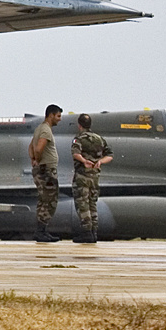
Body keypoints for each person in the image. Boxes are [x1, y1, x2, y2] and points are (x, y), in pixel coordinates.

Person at [69, 113, 113, 244]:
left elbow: (76, 153)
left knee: (82, 204)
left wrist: (84, 161)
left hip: (82, 175)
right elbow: (110, 155)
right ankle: (93, 233)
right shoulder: (99, 139)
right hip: (95, 176)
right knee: (92, 204)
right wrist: (100, 162)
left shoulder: (79, 139)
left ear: (79, 125)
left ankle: (86, 232)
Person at [29, 104, 64, 243]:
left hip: (44, 169)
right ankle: (41, 231)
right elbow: (38, 148)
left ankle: (42, 231)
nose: (59, 119)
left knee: (44, 200)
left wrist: (33, 159)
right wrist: (37, 160)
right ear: (51, 115)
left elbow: (31, 146)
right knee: (50, 201)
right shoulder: (45, 130)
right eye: (58, 116)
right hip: (46, 170)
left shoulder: (40, 129)